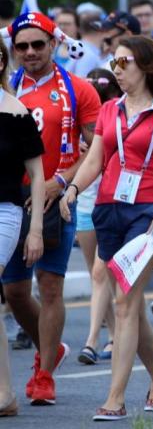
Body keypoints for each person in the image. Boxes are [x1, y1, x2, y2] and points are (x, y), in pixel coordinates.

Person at [60, 35, 153, 420]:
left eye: (123, 62)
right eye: (113, 63)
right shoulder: (109, 111)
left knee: (125, 303)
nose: (116, 69)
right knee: (131, 306)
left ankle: (115, 398)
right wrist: (72, 189)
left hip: (146, 213)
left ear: (146, 66)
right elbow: (95, 159)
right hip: (108, 210)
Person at [2, 12, 101, 405]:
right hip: (12, 198)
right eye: (21, 46)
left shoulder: (78, 89)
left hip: (56, 197)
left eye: (37, 44)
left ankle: (44, 375)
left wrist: (63, 184)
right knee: (14, 292)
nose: (29, 52)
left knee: (50, 285)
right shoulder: (6, 88)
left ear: (54, 44)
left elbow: (97, 148)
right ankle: (50, 346)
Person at [0, 38, 46, 417]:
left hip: (6, 211)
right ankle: (5, 395)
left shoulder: (16, 111)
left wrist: (35, 230)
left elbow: (36, 171)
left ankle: (4, 393)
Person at [75, 69, 121, 365]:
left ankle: (93, 339)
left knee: (106, 273)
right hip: (84, 203)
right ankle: (114, 333)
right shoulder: (76, 118)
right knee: (96, 273)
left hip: (112, 200)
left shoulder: (116, 115)